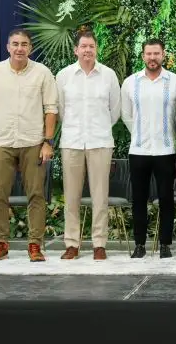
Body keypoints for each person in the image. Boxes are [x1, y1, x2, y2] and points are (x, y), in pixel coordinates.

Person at [0, 29, 58, 262]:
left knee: (36, 195)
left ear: (30, 48)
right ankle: (1, 243)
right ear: (8, 47)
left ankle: (35, 245)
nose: (19, 48)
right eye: (15, 44)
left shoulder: (42, 72)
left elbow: (51, 108)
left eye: (24, 44)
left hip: (33, 141)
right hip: (2, 140)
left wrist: (47, 142)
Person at [56, 28, 121, 261]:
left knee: (100, 196)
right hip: (72, 142)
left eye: (91, 46)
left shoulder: (109, 75)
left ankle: (99, 244)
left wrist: (100, 127)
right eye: (83, 46)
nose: (87, 50)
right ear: (76, 50)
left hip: (100, 141)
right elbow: (61, 110)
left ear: (96, 49)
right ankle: (72, 244)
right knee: (71, 196)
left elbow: (115, 111)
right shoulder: (63, 76)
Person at [121, 39, 176, 259]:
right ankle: (139, 244)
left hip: (166, 150)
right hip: (138, 150)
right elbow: (126, 115)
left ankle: (165, 245)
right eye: (148, 54)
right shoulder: (131, 82)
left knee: (166, 199)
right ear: (142, 56)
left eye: (156, 53)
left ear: (163, 55)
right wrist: (138, 134)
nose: (152, 58)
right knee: (138, 199)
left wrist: (175, 140)